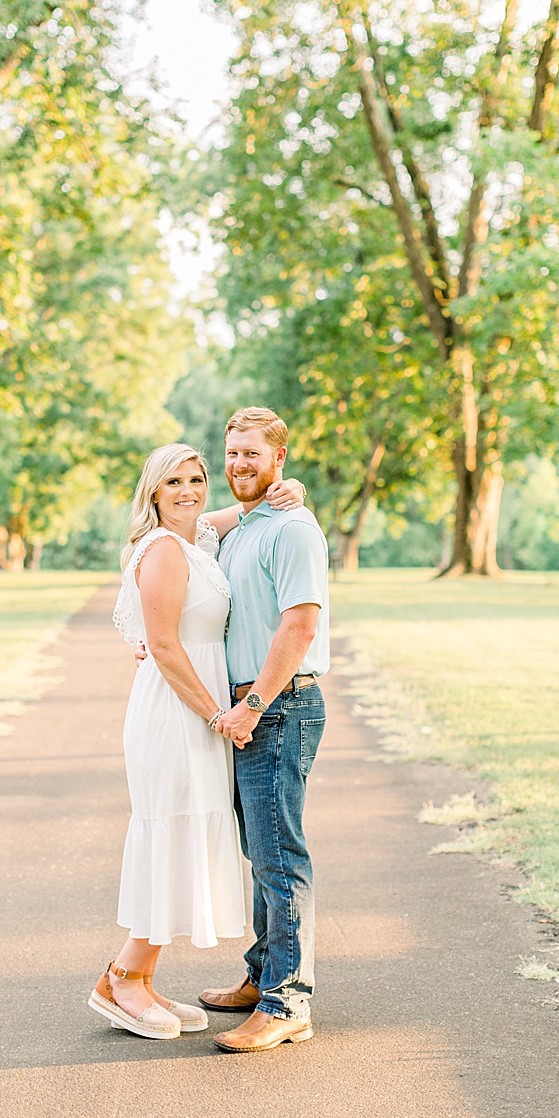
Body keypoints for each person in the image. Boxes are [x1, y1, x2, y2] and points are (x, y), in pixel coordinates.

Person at [89, 440, 305, 1041]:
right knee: (171, 835)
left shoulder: (195, 539)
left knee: (186, 836)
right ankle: (122, 978)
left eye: (196, 478)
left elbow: (245, 511)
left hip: (201, 711)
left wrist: (290, 491)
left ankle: (143, 978)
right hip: (179, 712)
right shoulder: (162, 549)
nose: (187, 491)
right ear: (152, 492)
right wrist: (219, 714)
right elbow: (162, 646)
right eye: (173, 482)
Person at [198, 406, 331, 1053]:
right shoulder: (248, 524)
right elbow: (185, 527)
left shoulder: (294, 530)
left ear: (280, 457)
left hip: (278, 707)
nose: (238, 465)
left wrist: (252, 703)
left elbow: (299, 627)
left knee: (279, 859)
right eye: (232, 453)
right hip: (253, 707)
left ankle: (287, 1003)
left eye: (252, 453)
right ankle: (260, 977)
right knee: (260, 856)